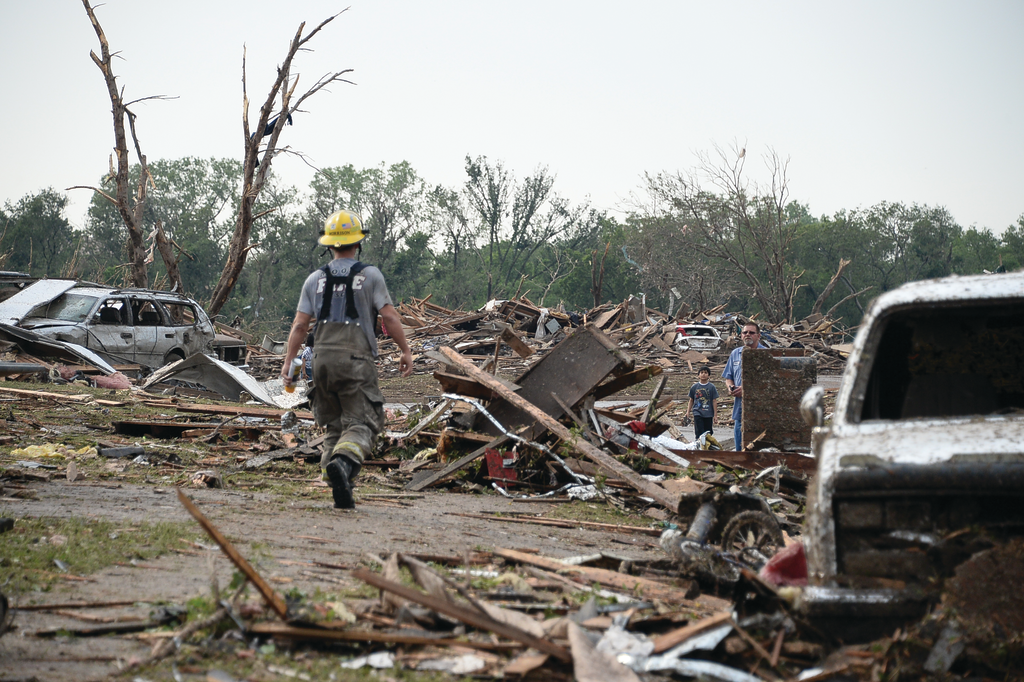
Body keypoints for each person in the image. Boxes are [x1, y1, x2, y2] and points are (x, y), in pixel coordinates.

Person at [281, 210, 413, 509]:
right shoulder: (371, 275)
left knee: (334, 425)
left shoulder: (314, 279)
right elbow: (389, 316)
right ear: (358, 243)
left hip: (321, 359)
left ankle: (338, 481)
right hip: (355, 359)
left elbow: (300, 326)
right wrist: (405, 350)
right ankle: (342, 462)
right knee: (364, 421)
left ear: (329, 245)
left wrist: (289, 362)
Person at [722, 322, 766, 450]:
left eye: (751, 332)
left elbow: (770, 382)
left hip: (759, 411)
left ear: (758, 336)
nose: (748, 335)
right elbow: (728, 377)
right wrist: (730, 387)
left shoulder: (766, 354)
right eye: (745, 332)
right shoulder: (735, 353)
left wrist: (748, 390)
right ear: (741, 335)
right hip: (739, 410)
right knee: (740, 450)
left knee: (757, 449)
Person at [686, 367, 718, 440]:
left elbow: (714, 401)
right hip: (697, 412)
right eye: (702, 372)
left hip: (708, 413)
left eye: (706, 373)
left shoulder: (711, 387)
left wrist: (715, 415)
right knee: (699, 431)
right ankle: (698, 446)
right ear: (698, 375)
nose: (703, 374)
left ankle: (707, 449)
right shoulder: (694, 387)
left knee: (708, 433)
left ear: (709, 376)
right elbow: (691, 400)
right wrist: (688, 412)